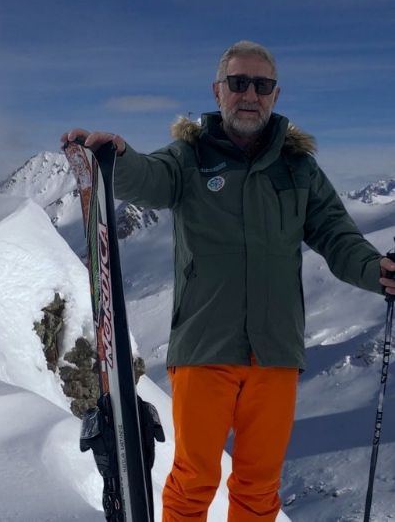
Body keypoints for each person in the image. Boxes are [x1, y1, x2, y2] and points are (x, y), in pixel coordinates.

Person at [61, 40, 395, 521]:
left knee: (259, 490)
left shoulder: (298, 169)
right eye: (239, 83)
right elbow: (148, 180)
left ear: (275, 96)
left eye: (261, 85)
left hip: (275, 352)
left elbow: (338, 236)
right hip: (204, 346)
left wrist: (375, 270)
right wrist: (118, 159)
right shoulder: (189, 158)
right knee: (194, 482)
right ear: (218, 92)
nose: (249, 94)